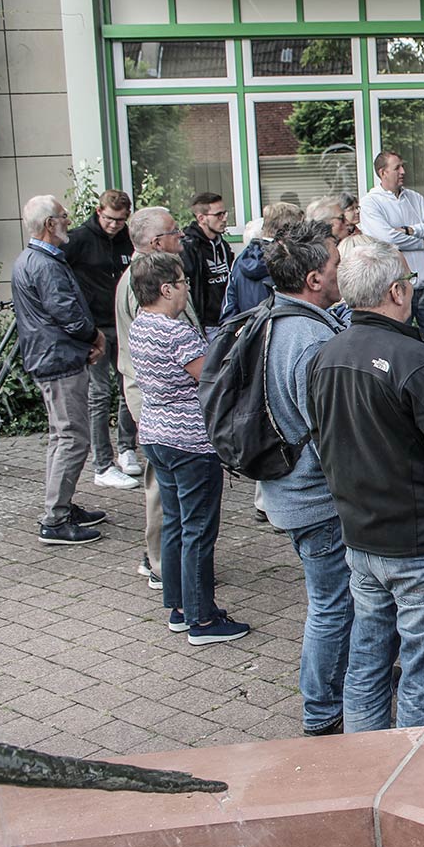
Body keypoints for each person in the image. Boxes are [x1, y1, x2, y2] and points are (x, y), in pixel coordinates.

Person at [308, 237, 424, 732]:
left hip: (362, 539)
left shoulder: (326, 355)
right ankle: (412, 781)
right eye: (408, 281)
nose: (411, 289)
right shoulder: (419, 361)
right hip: (420, 544)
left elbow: (324, 443)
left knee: (367, 664)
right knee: (422, 674)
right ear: (396, 291)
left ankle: (368, 771)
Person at [258, 221, 353, 736]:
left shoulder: (275, 317)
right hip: (315, 499)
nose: (341, 271)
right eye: (336, 264)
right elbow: (328, 435)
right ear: (315, 278)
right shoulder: (309, 340)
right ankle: (322, 712)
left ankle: (353, 679)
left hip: (286, 489)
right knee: (332, 605)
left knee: (339, 599)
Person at [127, 251, 251, 645]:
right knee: (199, 528)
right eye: (182, 283)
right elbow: (210, 376)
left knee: (176, 523)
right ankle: (201, 620)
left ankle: (181, 607)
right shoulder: (175, 331)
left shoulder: (140, 325)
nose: (186, 290)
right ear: (166, 289)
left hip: (155, 433)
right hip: (190, 440)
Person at [10, 195, 108, 546]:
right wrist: (94, 336)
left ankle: (61, 506)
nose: (69, 221)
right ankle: (55, 519)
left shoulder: (32, 259)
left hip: (52, 357)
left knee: (60, 436)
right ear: (50, 224)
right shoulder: (45, 264)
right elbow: (66, 312)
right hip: (59, 360)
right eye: (64, 216)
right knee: (72, 438)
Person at [117, 207, 199, 589]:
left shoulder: (152, 275)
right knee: (162, 493)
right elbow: (159, 347)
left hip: (157, 399)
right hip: (158, 400)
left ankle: (172, 566)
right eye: (173, 232)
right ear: (155, 243)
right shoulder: (144, 282)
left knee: (168, 490)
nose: (180, 237)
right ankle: (162, 566)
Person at [63, 188, 140, 490]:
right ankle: (102, 464)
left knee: (128, 386)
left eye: (120, 220)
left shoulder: (125, 239)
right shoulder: (80, 238)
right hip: (94, 327)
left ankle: (127, 448)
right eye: (109, 219)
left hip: (121, 324)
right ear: (99, 212)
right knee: (99, 394)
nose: (114, 225)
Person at [358, 150, 424, 361]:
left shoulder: (414, 198)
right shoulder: (371, 203)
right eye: (397, 168)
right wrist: (421, 241)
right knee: (399, 344)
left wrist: (411, 230)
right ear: (383, 172)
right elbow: (386, 239)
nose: (403, 171)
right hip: (396, 290)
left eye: (403, 166)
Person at [220, 201, 303, 322]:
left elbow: (229, 307)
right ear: (289, 231)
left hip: (249, 332)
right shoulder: (289, 259)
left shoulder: (239, 260)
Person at [180, 191, 235, 341]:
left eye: (225, 213)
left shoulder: (222, 244)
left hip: (227, 319)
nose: (224, 219)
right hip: (207, 324)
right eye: (218, 215)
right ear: (201, 218)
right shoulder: (189, 247)